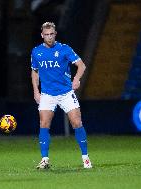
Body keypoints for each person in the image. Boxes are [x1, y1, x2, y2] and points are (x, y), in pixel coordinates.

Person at [31, 22, 92, 169]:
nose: (49, 37)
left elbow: (81, 65)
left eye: (52, 34)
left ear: (55, 34)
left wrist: (76, 79)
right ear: (42, 35)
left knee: (77, 123)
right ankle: (44, 159)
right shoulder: (36, 52)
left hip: (66, 93)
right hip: (47, 94)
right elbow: (35, 71)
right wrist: (36, 91)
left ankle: (86, 158)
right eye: (47, 34)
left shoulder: (64, 49)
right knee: (44, 124)